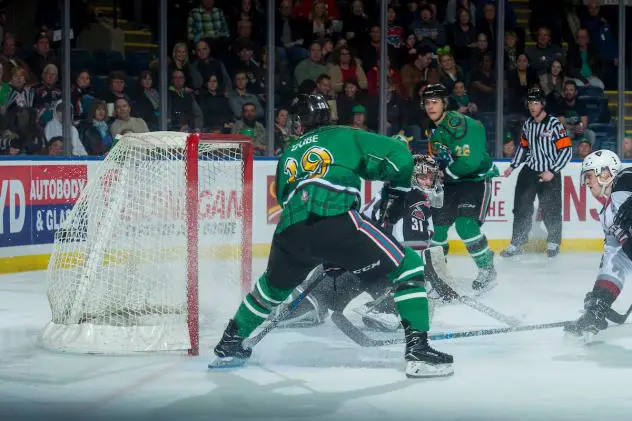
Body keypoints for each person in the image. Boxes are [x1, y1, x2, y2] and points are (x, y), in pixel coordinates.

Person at [209, 94, 454, 378]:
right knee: (409, 265)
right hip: (335, 218)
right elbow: (397, 157)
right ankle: (419, 351)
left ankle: (229, 345)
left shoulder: (288, 153)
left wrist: (329, 252)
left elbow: (287, 196)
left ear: (301, 122)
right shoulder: (342, 134)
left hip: (289, 231)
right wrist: (399, 186)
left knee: (270, 290)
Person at [271, 154, 449, 332]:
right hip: (379, 266)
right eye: (423, 177)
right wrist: (422, 280)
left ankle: (306, 305)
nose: (428, 183)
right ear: (412, 179)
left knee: (322, 294)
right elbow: (411, 246)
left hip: (347, 262)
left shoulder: (390, 193)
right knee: (411, 292)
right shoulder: (416, 200)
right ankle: (386, 309)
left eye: (430, 178)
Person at [423, 84, 499, 293]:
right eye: (427, 103)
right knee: (437, 229)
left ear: (444, 103)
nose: (430, 107)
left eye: (435, 102)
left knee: (466, 225)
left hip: (475, 179)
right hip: (452, 182)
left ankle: (487, 269)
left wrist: (442, 175)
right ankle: (437, 274)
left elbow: (470, 163)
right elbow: (440, 159)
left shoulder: (459, 123)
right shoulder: (435, 131)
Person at [564, 150, 630, 342]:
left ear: (606, 173)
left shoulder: (625, 179)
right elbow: (615, 260)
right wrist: (599, 300)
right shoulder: (608, 216)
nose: (586, 182)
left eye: (590, 176)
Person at [502, 87, 572, 258]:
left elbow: (567, 151)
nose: (532, 107)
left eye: (535, 103)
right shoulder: (528, 124)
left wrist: (553, 171)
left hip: (550, 172)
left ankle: (554, 242)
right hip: (530, 170)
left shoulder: (554, 124)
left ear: (542, 104)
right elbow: (524, 148)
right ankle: (517, 242)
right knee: (521, 208)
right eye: (529, 103)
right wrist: (513, 166)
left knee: (551, 208)